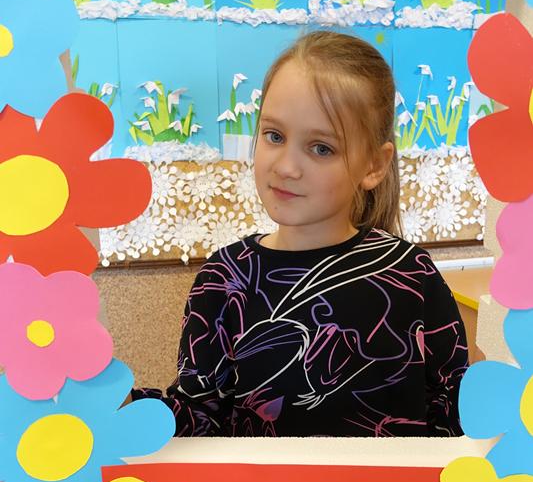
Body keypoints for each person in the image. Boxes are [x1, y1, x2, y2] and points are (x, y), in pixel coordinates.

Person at [133, 30, 468, 438]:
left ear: (374, 166)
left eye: (321, 148)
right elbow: (199, 417)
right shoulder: (224, 279)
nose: (287, 167)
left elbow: (453, 414)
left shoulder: (411, 274)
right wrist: (120, 408)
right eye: (274, 136)